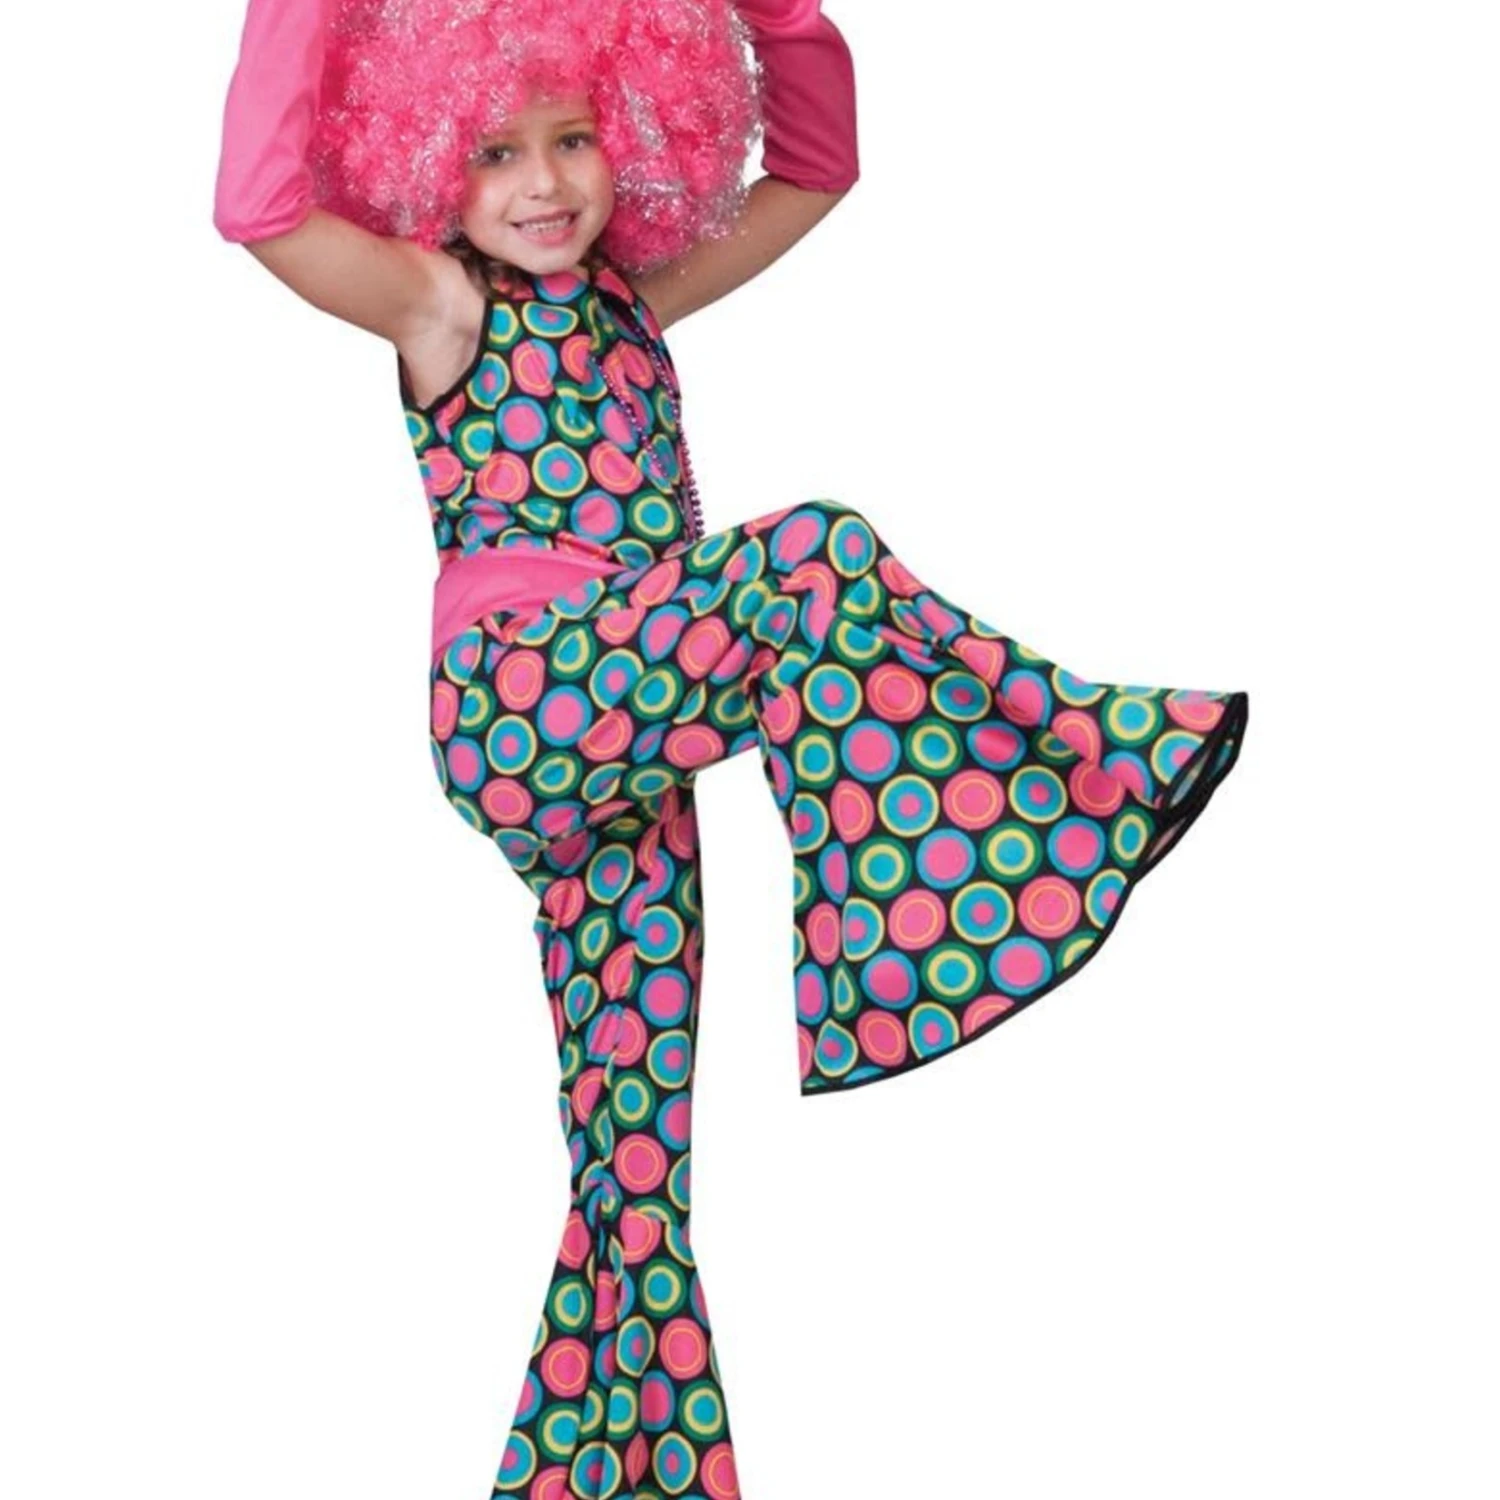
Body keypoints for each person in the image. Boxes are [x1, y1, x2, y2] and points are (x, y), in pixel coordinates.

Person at [213, 1, 1249, 1492]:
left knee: (633, 1157)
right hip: (522, 702)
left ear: (637, 131)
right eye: (496, 151)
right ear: (422, 155)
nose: (545, 182)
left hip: (640, 733)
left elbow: (820, 165)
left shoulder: (636, 300)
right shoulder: (440, 305)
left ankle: (616, 1469)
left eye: (576, 137)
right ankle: (1062, 804)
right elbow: (256, 208)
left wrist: (773, 10)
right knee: (811, 561)